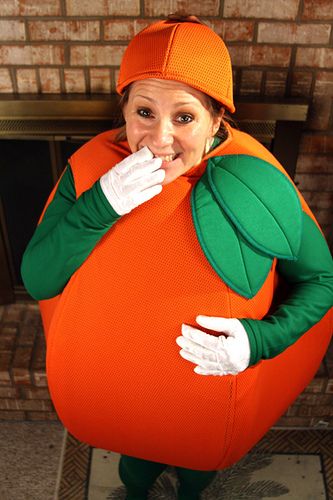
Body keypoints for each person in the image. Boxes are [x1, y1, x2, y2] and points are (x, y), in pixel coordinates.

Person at [21, 15, 332, 500]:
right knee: (136, 469)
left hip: (207, 409)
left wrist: (260, 340)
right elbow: (39, 278)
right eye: (145, 112)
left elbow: (321, 281)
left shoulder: (257, 178)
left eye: (183, 117)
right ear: (124, 111)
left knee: (195, 474)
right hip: (122, 400)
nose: (160, 138)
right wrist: (100, 205)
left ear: (216, 122)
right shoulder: (88, 172)